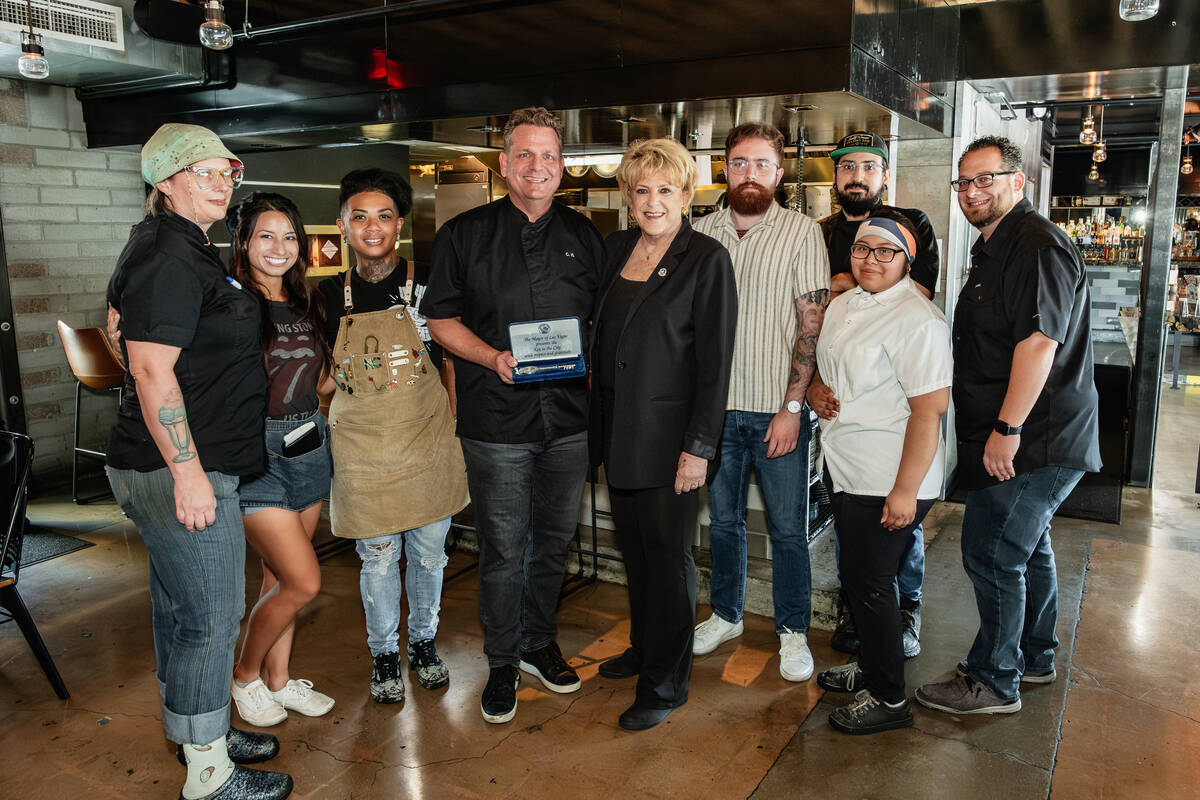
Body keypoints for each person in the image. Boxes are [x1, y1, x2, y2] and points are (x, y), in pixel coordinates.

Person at [105, 123, 291, 800]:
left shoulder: (178, 247)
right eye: (206, 172)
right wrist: (188, 475)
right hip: (182, 468)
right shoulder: (167, 252)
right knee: (211, 615)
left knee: (181, 610)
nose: (223, 184)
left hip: (189, 462)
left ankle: (199, 732)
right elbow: (151, 370)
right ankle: (210, 773)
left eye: (228, 172)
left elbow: (118, 330)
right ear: (167, 181)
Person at [424, 107, 605, 724]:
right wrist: (492, 357)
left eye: (548, 156)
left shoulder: (585, 237)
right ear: (504, 164)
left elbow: (601, 329)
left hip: (570, 420)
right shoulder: (463, 234)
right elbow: (440, 320)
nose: (536, 167)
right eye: (524, 155)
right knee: (503, 548)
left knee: (553, 543)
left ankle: (537, 642)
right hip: (496, 420)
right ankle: (502, 661)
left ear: (562, 167)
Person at [916, 136, 1101, 716]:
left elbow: (1040, 343)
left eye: (985, 179)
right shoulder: (995, 245)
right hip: (1025, 434)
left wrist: (1007, 428)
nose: (972, 192)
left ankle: (994, 680)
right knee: (1028, 547)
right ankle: (1034, 654)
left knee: (993, 552)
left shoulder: (1036, 245)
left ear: (1017, 182)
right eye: (964, 182)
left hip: (1035, 437)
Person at [590, 139, 737, 731]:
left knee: (668, 560)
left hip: (671, 442)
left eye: (665, 190)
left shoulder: (706, 259)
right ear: (628, 198)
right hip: (618, 435)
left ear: (687, 195)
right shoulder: (617, 248)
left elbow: (715, 364)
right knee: (636, 555)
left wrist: (698, 449)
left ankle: (666, 683)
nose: (653, 201)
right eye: (641, 190)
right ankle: (646, 650)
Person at [318, 168, 469, 706]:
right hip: (362, 448)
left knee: (429, 557)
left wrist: (452, 425)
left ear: (399, 225)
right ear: (343, 226)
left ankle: (423, 645)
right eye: (359, 217)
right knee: (377, 559)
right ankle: (383, 653)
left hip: (427, 441)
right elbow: (323, 377)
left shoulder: (428, 280)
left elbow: (450, 360)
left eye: (383, 216)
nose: (372, 227)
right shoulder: (327, 293)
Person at [690, 121, 830, 682]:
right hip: (715, 411)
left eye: (763, 165)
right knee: (722, 523)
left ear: (778, 173)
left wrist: (793, 408)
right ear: (725, 168)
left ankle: (792, 630)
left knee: (788, 529)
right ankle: (725, 614)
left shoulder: (801, 232)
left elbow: (810, 325)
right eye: (741, 163)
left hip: (777, 410)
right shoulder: (700, 233)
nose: (751, 174)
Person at [809, 215, 951, 735]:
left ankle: (890, 697)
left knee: (871, 585)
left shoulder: (920, 320)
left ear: (907, 260)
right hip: (845, 464)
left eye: (885, 252)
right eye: (862, 249)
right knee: (859, 579)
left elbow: (928, 412)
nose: (870, 259)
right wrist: (815, 387)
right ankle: (871, 666)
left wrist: (905, 492)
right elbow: (828, 364)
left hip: (889, 475)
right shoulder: (844, 304)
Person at [813, 131, 941, 659]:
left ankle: (901, 610)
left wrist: (850, 280)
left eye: (869, 166)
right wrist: (816, 383)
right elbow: (813, 312)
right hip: (844, 438)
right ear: (836, 176)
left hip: (892, 426)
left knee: (895, 534)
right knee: (854, 538)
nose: (857, 176)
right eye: (847, 167)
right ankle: (862, 609)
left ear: (883, 175)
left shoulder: (910, 224)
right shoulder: (818, 231)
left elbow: (918, 295)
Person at [225, 193, 336, 727]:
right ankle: (244, 676)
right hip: (255, 451)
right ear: (243, 243)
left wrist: (358, 374)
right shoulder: (228, 303)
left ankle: (279, 680)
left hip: (310, 443)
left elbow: (318, 381)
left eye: (289, 236)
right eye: (265, 236)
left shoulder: (307, 301)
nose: (279, 247)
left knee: (277, 579)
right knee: (303, 581)